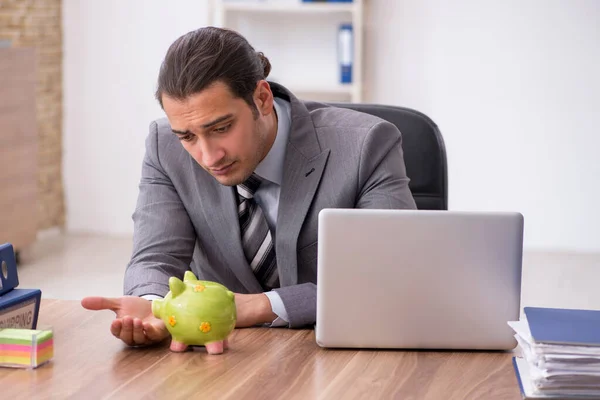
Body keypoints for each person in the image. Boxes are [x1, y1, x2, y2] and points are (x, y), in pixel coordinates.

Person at [81, 26, 417, 348]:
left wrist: (260, 306)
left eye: (222, 128)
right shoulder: (164, 146)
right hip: (225, 359)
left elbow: (389, 274)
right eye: (187, 136)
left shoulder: (366, 144)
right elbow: (155, 257)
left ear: (262, 98)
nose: (209, 156)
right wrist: (154, 308)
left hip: (342, 354)